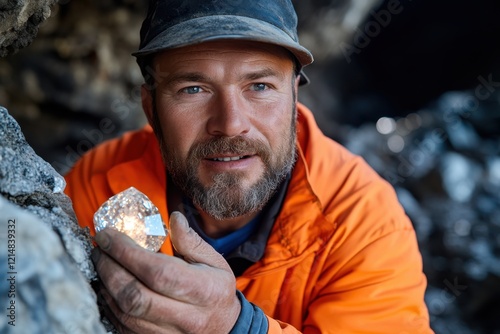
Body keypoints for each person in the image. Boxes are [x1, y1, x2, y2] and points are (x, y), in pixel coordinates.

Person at [64, 0, 433, 332]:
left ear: (294, 97)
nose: (230, 123)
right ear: (151, 109)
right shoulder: (100, 186)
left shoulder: (364, 222)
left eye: (259, 85)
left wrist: (237, 327)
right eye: (193, 89)